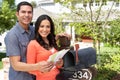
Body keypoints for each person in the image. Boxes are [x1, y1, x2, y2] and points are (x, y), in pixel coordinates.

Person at [4, 1, 54, 80]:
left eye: (29, 12)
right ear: (17, 14)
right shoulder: (12, 35)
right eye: (23, 12)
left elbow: (45, 37)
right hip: (20, 78)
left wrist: (59, 36)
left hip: (36, 76)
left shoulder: (34, 30)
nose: (27, 15)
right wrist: (38, 66)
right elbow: (15, 65)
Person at [26, 14, 63, 80]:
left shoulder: (52, 42)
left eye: (48, 27)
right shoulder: (33, 44)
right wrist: (42, 71)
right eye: (42, 26)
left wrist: (60, 64)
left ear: (51, 28)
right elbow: (30, 69)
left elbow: (57, 66)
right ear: (37, 27)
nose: (45, 29)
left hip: (58, 77)